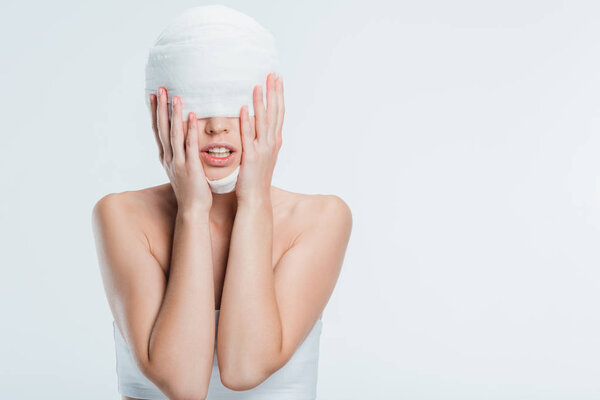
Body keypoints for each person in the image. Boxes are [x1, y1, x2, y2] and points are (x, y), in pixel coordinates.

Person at [92, 5, 352, 400]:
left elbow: (245, 367)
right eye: (197, 104)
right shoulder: (122, 216)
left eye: (234, 102)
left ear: (271, 110)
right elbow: (183, 385)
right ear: (159, 113)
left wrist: (253, 202)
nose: (216, 125)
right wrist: (192, 212)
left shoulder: (320, 219)